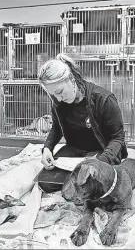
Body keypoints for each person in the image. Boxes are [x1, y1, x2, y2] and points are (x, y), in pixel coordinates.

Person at [37, 53, 128, 193]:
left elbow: (118, 138)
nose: (59, 98)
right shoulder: (59, 103)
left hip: (102, 151)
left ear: (72, 79)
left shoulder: (104, 99)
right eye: (54, 95)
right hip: (76, 150)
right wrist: (47, 148)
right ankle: (77, 178)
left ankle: (80, 179)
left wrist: (100, 162)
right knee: (45, 183)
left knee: (92, 185)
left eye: (60, 92)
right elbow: (56, 128)